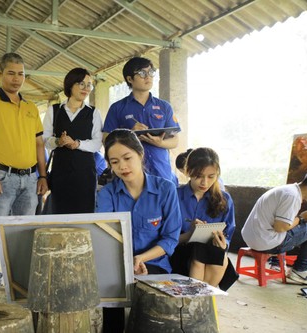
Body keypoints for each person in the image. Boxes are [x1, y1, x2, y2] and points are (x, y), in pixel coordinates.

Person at [96, 129, 181, 332]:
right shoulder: (107, 193)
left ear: (140, 154)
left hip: (154, 263)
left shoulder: (165, 189)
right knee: (112, 296)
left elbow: (170, 238)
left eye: (127, 158)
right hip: (116, 264)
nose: (122, 166)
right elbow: (104, 235)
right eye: (114, 162)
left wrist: (140, 259)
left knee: (147, 313)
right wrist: (125, 263)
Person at [0, 52, 48, 286]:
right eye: (11, 73)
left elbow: (39, 144)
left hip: (29, 179)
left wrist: (43, 175)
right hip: (2, 178)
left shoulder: (31, 107)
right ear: (0, 75)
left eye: (21, 74)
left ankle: (17, 280)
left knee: (24, 231)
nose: (16, 79)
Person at [103, 57, 180, 184]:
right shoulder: (117, 108)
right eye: (142, 73)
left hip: (161, 172)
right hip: (129, 175)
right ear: (129, 79)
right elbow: (106, 140)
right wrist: (129, 134)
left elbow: (175, 140)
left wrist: (159, 143)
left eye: (151, 72)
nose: (148, 77)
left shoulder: (164, 107)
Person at [170, 148, 236, 289]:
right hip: (179, 252)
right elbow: (166, 237)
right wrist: (190, 234)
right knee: (204, 253)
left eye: (211, 176)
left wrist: (223, 243)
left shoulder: (224, 199)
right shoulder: (174, 196)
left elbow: (228, 234)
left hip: (212, 255)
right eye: (199, 176)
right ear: (188, 171)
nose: (204, 182)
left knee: (217, 254)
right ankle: (202, 299)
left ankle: (198, 296)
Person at [42, 67, 103, 214]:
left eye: (89, 85)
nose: (86, 88)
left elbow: (97, 143)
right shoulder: (54, 110)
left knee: (85, 212)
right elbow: (44, 140)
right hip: (60, 172)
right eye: (81, 84)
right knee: (60, 212)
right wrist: (58, 142)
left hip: (85, 173)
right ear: (70, 84)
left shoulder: (93, 113)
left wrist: (77, 144)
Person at [241, 168, 307, 285]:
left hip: (251, 238)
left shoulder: (287, 190)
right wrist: (301, 218)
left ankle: (277, 264)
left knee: (292, 224)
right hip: (265, 242)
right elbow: (280, 227)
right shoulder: (293, 196)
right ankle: (300, 271)